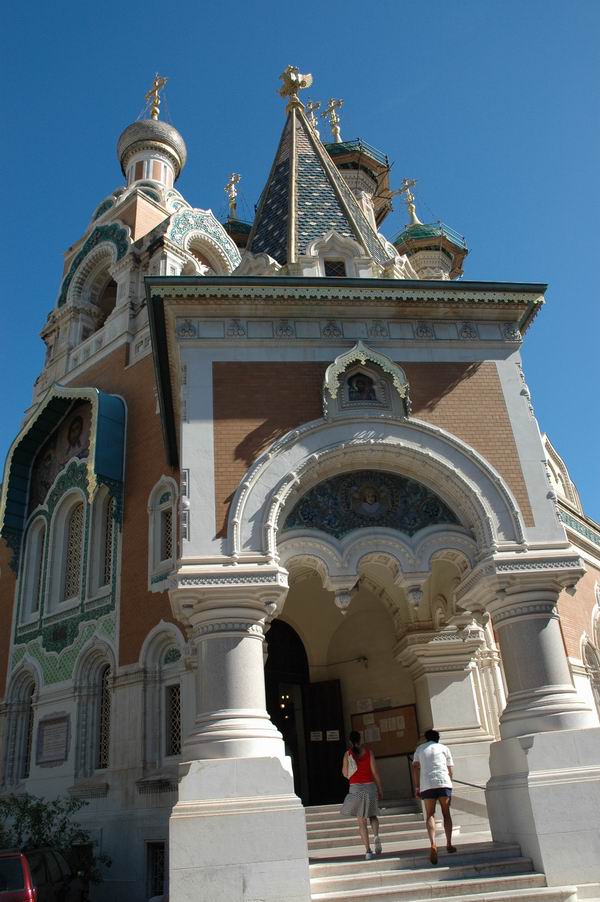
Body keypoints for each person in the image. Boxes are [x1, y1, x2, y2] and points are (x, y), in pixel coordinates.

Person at [412, 728, 457, 864]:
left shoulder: (420, 749)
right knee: (446, 813)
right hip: (443, 782)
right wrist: (450, 781)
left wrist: (417, 787)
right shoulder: (444, 748)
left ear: (426, 738)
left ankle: (433, 843)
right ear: (438, 738)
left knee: (430, 814)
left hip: (427, 784)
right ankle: (449, 844)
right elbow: (450, 770)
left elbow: (415, 768)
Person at [340, 730, 383, 860]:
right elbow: (375, 772)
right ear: (360, 739)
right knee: (373, 815)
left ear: (350, 741)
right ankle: (376, 836)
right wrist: (380, 789)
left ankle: (368, 851)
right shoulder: (369, 753)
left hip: (355, 788)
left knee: (361, 822)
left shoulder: (347, 754)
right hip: (370, 786)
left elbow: (345, 773)